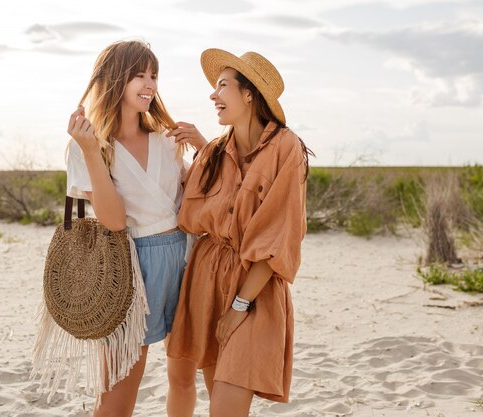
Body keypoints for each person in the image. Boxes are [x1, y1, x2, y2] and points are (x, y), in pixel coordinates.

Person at [166, 49, 311, 417]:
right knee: (219, 403)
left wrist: (239, 305)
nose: (213, 96)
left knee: (226, 408)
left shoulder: (286, 148)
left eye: (222, 86)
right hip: (206, 278)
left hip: (255, 288)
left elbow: (280, 235)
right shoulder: (214, 150)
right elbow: (189, 212)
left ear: (249, 94)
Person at [66, 40, 206, 417]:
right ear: (116, 80)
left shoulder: (166, 139)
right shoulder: (87, 146)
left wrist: (204, 149)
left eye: (154, 75)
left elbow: (197, 200)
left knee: (183, 379)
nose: (150, 84)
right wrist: (93, 151)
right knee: (118, 394)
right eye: (140, 75)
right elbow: (112, 221)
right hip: (131, 268)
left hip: (185, 256)